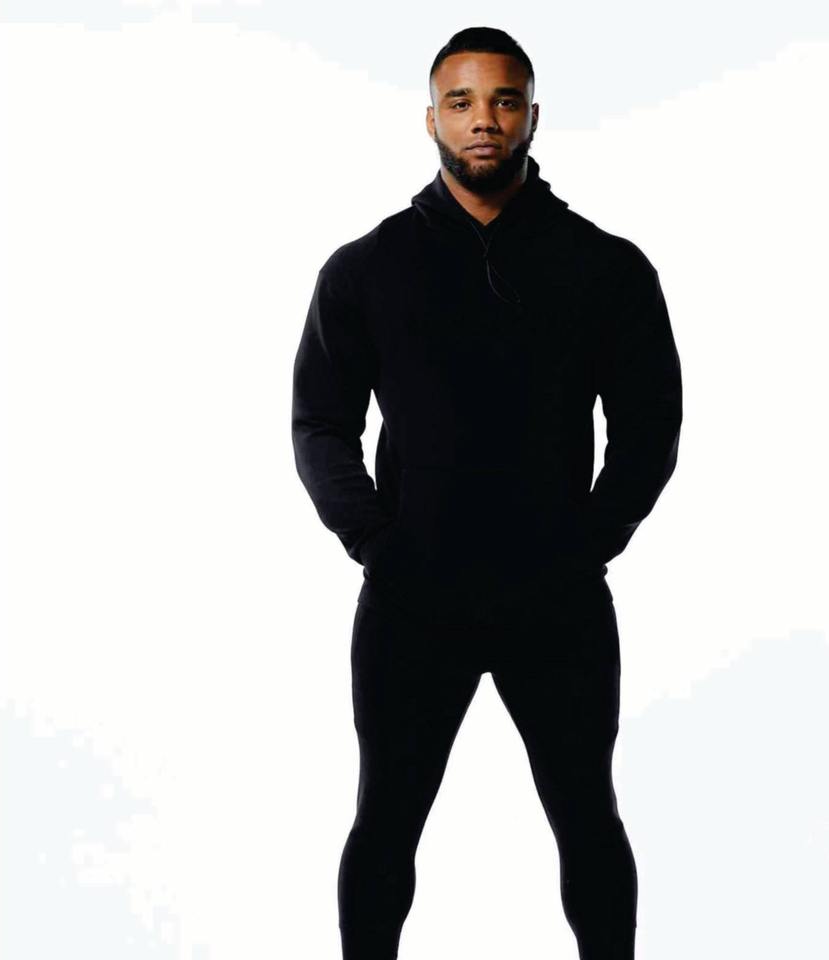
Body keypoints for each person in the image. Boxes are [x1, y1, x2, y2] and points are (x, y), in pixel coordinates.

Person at [292, 26, 682, 960]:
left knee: (588, 815)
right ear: (430, 118)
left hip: (557, 601)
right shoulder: (366, 269)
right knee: (385, 818)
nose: (484, 121)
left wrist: (588, 542)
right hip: (413, 600)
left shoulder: (606, 267)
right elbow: (320, 425)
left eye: (504, 101)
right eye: (461, 102)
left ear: (532, 116)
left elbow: (650, 428)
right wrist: (376, 544)